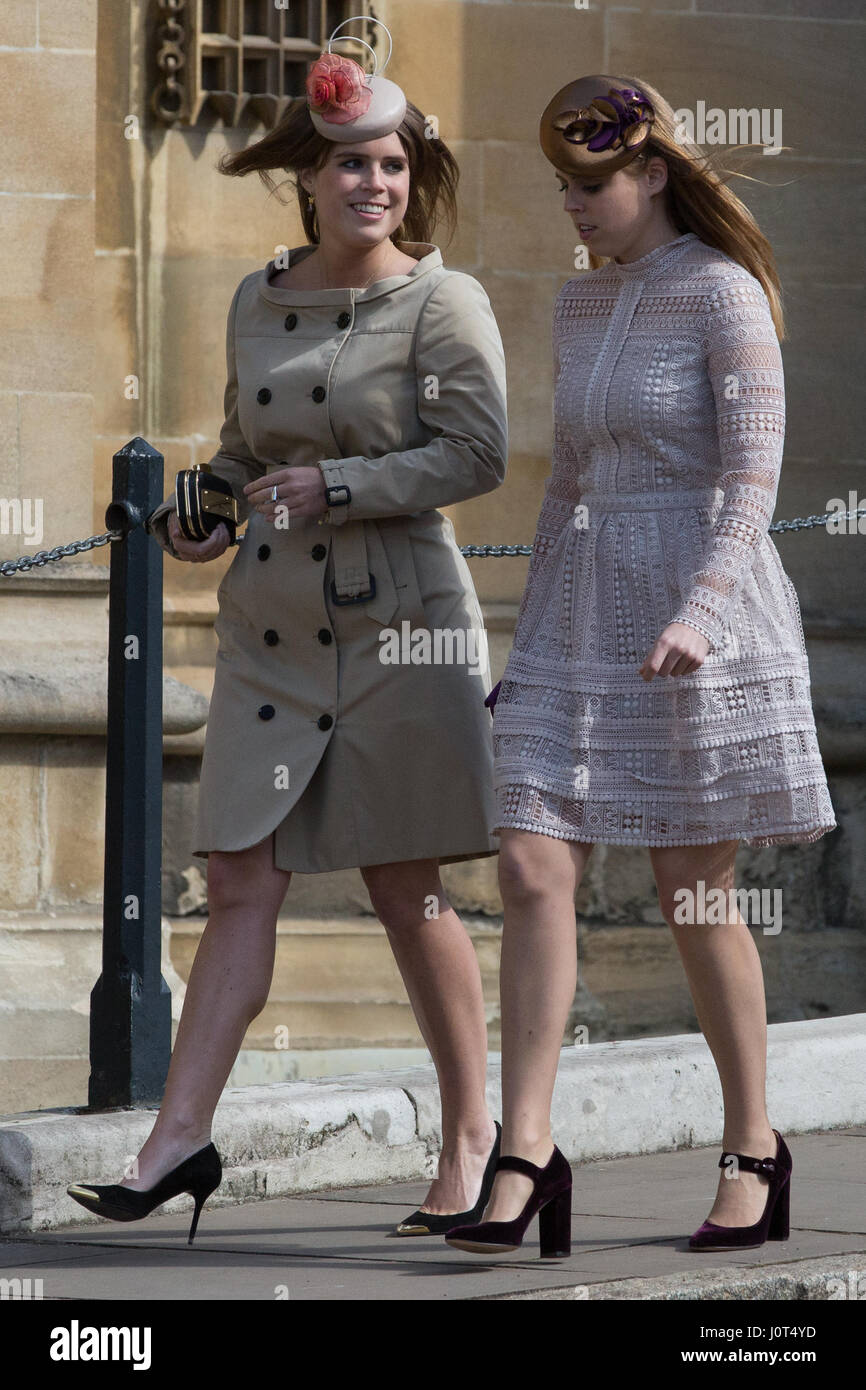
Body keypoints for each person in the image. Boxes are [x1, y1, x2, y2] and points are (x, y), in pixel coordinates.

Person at [67, 20, 506, 1243]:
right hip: (270, 629)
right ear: (308, 175)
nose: (375, 183)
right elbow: (240, 451)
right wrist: (203, 514)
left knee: (405, 884)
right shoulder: (257, 297)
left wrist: (341, 486)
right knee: (236, 878)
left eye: (393, 164)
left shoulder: (442, 300)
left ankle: (473, 1136)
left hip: (401, 625)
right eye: (352, 162)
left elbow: (475, 453)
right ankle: (175, 1139)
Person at [446, 74, 836, 1259]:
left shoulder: (722, 292)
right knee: (527, 858)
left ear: (652, 173)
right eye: (561, 187)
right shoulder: (577, 304)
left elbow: (752, 476)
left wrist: (702, 611)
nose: (572, 206)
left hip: (694, 609)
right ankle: (524, 1146)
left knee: (692, 889)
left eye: (592, 185)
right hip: (578, 612)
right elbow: (562, 483)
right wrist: (528, 647)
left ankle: (752, 1145)